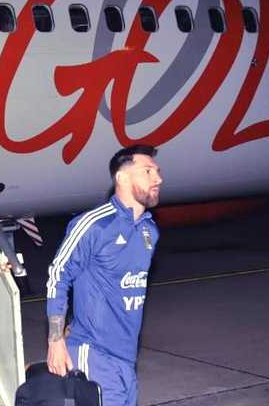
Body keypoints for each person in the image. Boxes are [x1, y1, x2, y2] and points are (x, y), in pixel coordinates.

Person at [45, 145, 163, 406]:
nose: (158, 178)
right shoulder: (94, 224)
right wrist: (55, 341)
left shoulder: (149, 231)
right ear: (122, 178)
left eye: (157, 172)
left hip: (127, 358)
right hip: (93, 352)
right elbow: (58, 276)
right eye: (147, 171)